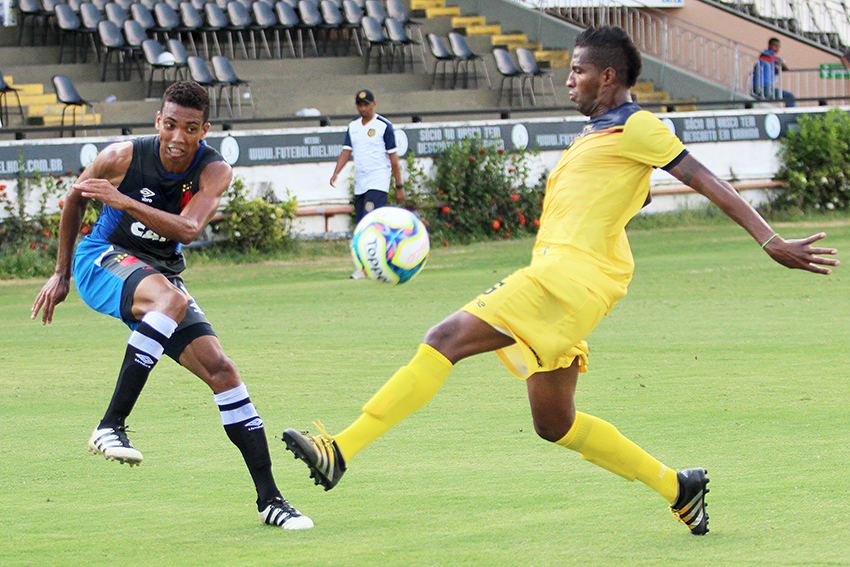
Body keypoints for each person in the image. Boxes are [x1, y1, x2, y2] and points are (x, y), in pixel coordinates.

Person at [282, 26, 839, 536]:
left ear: (608, 76)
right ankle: (678, 486)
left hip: (566, 278)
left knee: (443, 339)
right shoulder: (596, 134)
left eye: (578, 70)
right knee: (554, 423)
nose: (569, 79)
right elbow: (626, 194)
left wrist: (770, 240)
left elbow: (706, 179)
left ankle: (341, 449)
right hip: (572, 282)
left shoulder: (638, 125)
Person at [31, 81, 313, 531]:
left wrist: (123, 200)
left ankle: (271, 501)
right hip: (102, 258)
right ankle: (110, 425)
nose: (178, 137)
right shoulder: (121, 157)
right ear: (158, 121)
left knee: (222, 370)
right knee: (170, 299)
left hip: (161, 274)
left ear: (205, 130)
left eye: (190, 128)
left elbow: (187, 229)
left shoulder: (214, 170)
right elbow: (75, 200)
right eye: (170, 125)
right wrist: (61, 273)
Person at [329, 89, 405, 278]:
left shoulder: (384, 126)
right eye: (360, 105)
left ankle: (371, 266)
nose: (363, 108)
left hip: (378, 181)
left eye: (366, 104)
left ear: (374, 104)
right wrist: (336, 172)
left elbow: (394, 159)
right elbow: (346, 151)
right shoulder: (353, 126)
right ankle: (370, 263)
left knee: (371, 221)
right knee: (362, 224)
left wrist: (399, 186)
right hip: (361, 182)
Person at [753, 37, 796, 107]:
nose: (777, 49)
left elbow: (776, 71)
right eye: (775, 46)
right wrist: (781, 63)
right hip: (765, 87)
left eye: (778, 47)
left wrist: (777, 69)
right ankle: (789, 113)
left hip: (758, 87)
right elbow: (785, 68)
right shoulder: (771, 54)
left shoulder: (763, 56)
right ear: (769, 45)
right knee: (790, 97)